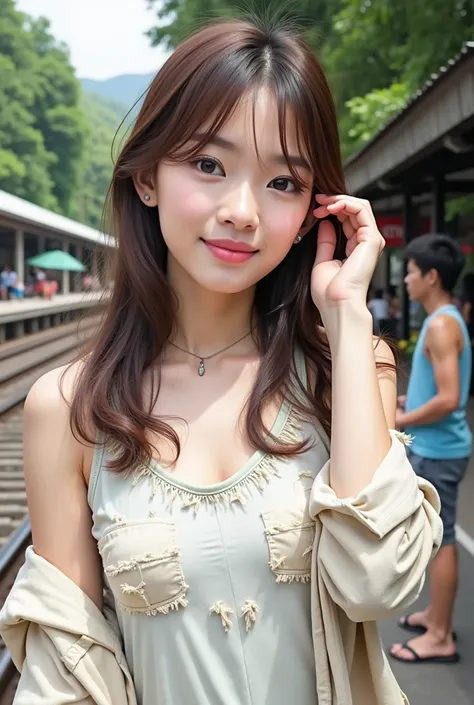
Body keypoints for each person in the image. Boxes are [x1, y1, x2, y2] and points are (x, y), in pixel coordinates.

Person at [0, 19, 442, 705]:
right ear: (147, 176)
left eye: (283, 183)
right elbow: (69, 672)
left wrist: (348, 317)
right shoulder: (69, 407)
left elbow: (381, 583)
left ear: (312, 212)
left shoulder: (348, 370)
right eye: (209, 165)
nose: (241, 211)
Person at [391, 234, 472, 665]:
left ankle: (440, 635)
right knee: (435, 535)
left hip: (439, 450)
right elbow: (438, 394)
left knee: (441, 540)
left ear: (432, 276)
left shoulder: (441, 324)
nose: (405, 279)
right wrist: (411, 402)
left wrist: (401, 420)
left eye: (410, 270)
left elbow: (450, 398)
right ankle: (434, 618)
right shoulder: (446, 318)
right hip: (440, 447)